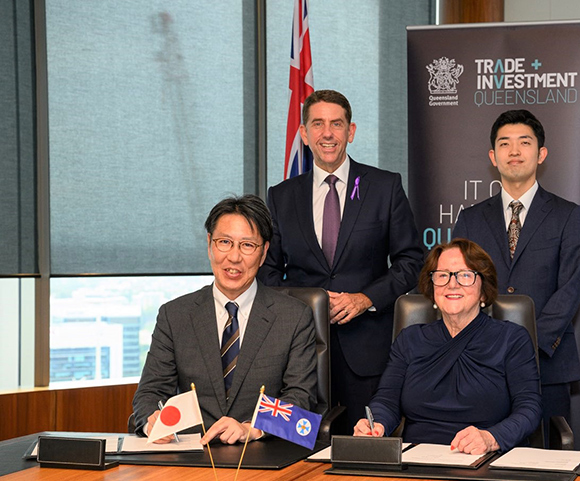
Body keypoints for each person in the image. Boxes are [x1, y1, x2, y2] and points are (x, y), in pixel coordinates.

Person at [259, 89, 423, 431]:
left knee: (363, 452)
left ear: (351, 131)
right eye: (317, 124)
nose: (327, 133)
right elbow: (269, 271)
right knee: (294, 443)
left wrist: (365, 299)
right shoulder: (281, 196)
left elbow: (411, 261)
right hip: (296, 351)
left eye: (337, 124)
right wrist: (306, 306)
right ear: (304, 133)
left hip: (366, 351)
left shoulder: (384, 186)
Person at [132, 195, 318, 445]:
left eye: (247, 245)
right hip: (190, 456)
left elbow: (301, 398)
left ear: (263, 253)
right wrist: (151, 420)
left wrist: (251, 428)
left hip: (263, 452)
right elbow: (150, 394)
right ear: (209, 244)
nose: (234, 257)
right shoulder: (175, 315)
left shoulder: (294, 317)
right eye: (224, 242)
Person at [454, 109, 580, 435]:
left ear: (541, 154)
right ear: (493, 156)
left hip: (547, 362)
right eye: (505, 144)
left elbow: (570, 289)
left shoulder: (568, 215)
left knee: (547, 466)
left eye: (524, 143)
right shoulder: (470, 219)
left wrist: (525, 344)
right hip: (480, 362)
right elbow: (459, 286)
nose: (514, 151)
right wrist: (490, 346)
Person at [353, 239, 542, 454]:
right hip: (418, 460)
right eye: (442, 275)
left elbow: (529, 409)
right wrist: (376, 424)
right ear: (432, 287)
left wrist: (491, 438)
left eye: (465, 275)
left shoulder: (512, 339)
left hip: (487, 459)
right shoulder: (410, 340)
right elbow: (387, 401)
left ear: (483, 290)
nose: (452, 284)